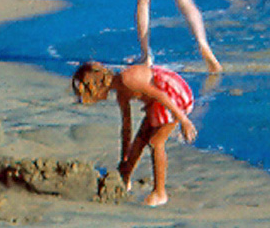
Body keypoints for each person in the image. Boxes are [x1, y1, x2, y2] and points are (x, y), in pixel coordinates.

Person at [72, 60, 196, 207]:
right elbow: (127, 128)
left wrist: (184, 121)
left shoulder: (127, 79)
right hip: (157, 101)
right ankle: (125, 178)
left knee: (156, 142)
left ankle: (160, 193)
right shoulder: (121, 94)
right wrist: (124, 160)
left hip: (172, 95)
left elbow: (160, 96)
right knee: (141, 138)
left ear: (97, 86)